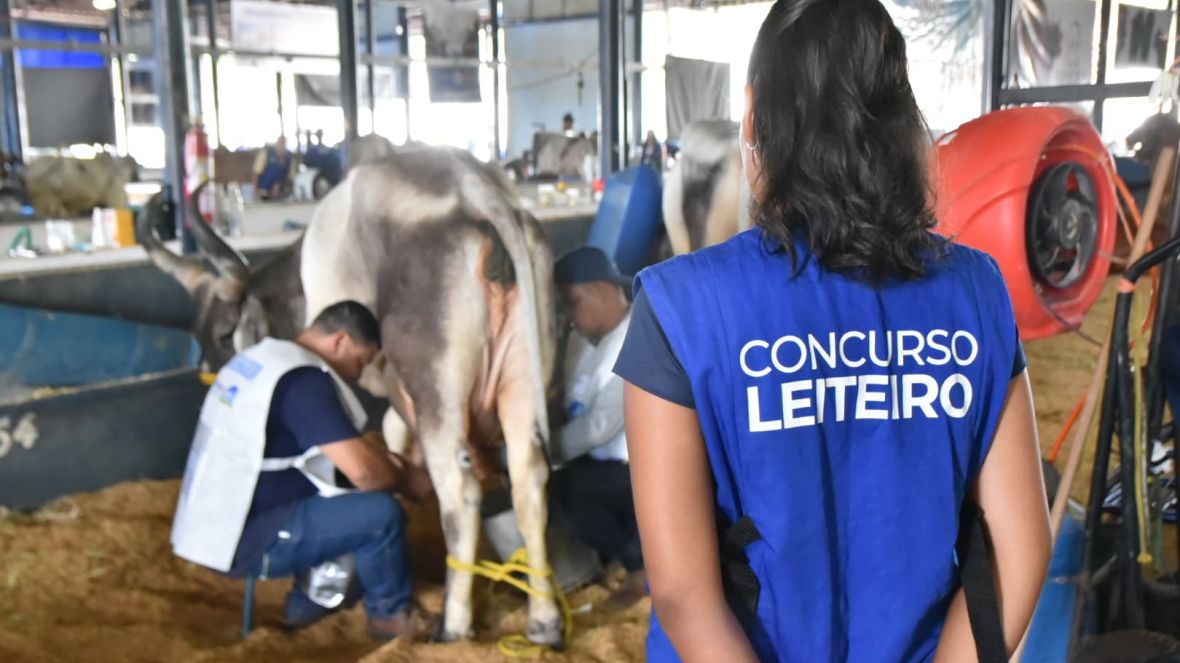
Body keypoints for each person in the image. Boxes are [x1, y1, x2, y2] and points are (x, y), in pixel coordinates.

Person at [613, 1, 1052, 662]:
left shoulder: (680, 307)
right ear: (901, 127)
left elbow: (681, 592)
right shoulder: (977, 292)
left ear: (753, 119)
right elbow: (1021, 546)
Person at [171, 301, 434, 641]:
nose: (358, 374)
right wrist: (406, 480)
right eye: (362, 360)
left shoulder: (262, 359)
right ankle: (389, 616)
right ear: (340, 341)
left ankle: (307, 606)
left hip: (209, 524)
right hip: (249, 537)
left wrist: (383, 464)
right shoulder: (304, 380)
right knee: (381, 515)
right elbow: (365, 473)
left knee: (347, 500)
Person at [548, 246, 646, 605]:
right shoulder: (579, 340)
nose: (568, 315)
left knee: (562, 492)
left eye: (572, 302)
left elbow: (601, 425)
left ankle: (641, 571)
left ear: (602, 289)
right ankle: (613, 560)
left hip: (638, 469)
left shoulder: (640, 335)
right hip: (599, 463)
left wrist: (536, 451)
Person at [252, 135, 297, 201]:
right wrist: (255, 190)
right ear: (276, 143)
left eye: (283, 143)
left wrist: (284, 187)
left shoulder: (290, 158)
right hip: (264, 192)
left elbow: (291, 177)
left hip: (280, 193)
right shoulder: (266, 154)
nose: (281, 145)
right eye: (280, 143)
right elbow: (256, 172)